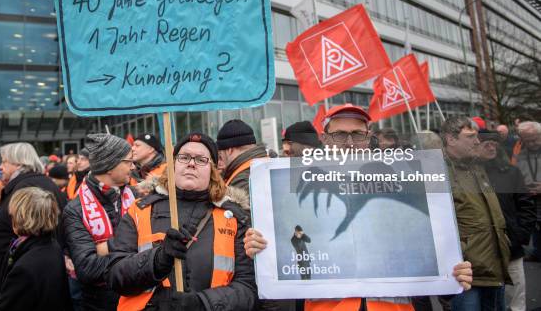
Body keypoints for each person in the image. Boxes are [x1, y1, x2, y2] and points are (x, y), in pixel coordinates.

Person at [245, 105, 473, 311]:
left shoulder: (402, 182)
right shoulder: (297, 187)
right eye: (340, 134)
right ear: (324, 139)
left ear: (369, 137)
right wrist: (262, 247)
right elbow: (285, 246)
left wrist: (452, 271)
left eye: (358, 134)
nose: (350, 142)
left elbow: (427, 249)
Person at [107, 132, 257, 310]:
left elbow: (247, 289)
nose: (192, 163)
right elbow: (115, 276)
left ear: (213, 170)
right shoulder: (139, 211)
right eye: (184, 157)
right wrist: (157, 259)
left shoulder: (234, 218)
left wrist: (202, 303)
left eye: (201, 159)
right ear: (173, 165)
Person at [441, 116, 510, 311]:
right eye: (470, 136)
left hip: (495, 266)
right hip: (466, 275)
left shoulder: (478, 167)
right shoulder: (438, 171)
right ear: (451, 139)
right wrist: (461, 252)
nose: (477, 141)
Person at [63, 133, 135, 311]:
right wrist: (134, 252)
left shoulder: (137, 196)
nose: (133, 167)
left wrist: (106, 248)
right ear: (110, 166)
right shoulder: (75, 210)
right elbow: (87, 269)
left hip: (140, 299)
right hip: (101, 304)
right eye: (128, 161)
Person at [0, 142, 67, 292]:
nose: (0, 167)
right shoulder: (44, 183)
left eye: (4, 161)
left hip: (22, 278)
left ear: (19, 164)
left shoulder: (25, 188)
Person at [479, 129, 535, 311]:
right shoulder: (469, 175)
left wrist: (520, 235)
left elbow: (526, 205)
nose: (491, 147)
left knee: (516, 297)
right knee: (490, 299)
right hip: (481, 248)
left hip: (511, 245)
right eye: (486, 143)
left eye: (494, 143)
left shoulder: (511, 172)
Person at [0, 187, 72, 311]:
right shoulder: (51, 245)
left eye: (13, 214)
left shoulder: (25, 268)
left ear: (22, 217)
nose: (10, 217)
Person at [514, 121, 541, 262]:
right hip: (531, 199)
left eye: (535, 139)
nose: (531, 143)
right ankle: (537, 253)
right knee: (535, 226)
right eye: (527, 140)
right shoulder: (520, 153)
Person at [218, 119, 268, 193]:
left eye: (220, 156)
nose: (220, 161)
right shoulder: (269, 163)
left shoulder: (241, 181)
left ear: (229, 150)